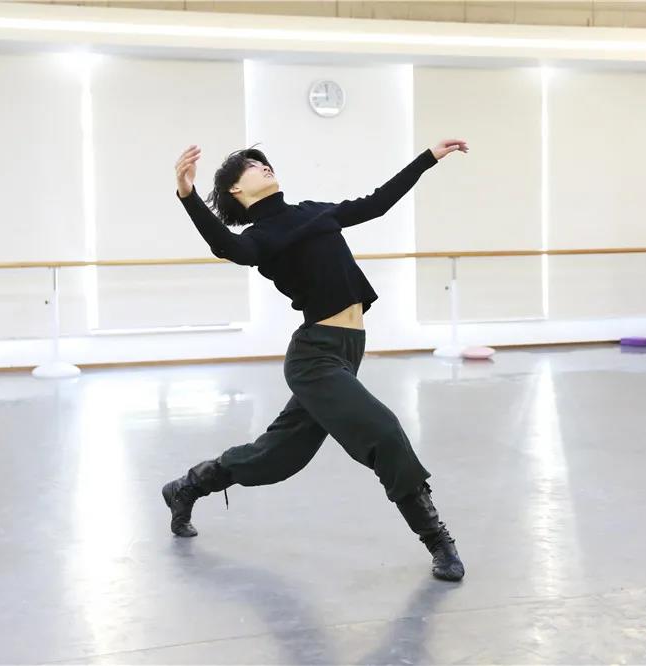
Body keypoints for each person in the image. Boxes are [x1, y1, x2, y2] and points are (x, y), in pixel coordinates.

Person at [163, 139, 469, 581]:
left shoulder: (312, 212)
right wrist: (187, 195)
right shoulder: (260, 237)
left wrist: (428, 158)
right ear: (236, 191)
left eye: (263, 162)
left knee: (276, 457)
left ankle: (187, 487)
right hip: (314, 356)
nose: (263, 166)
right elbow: (228, 247)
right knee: (383, 432)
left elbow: (377, 204)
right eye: (251, 166)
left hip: (348, 348)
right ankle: (437, 540)